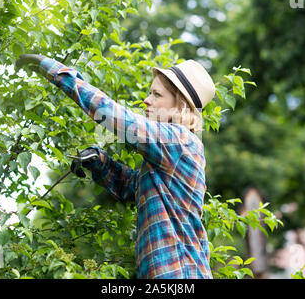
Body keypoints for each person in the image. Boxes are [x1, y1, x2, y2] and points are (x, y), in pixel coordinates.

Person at [16, 54, 216, 279]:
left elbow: (116, 117)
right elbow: (133, 188)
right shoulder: (168, 153)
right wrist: (99, 162)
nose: (147, 100)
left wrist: (52, 69)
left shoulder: (179, 141)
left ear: (179, 105)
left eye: (157, 94)